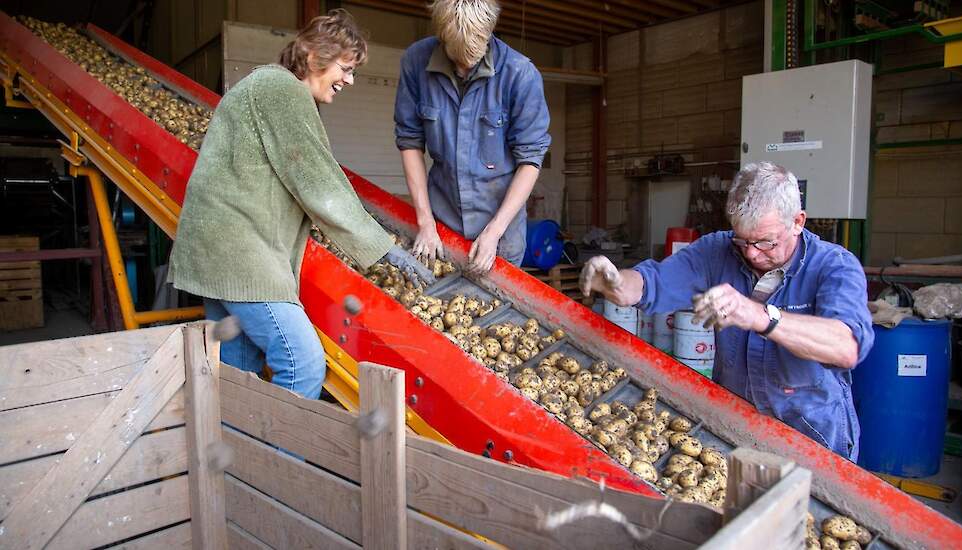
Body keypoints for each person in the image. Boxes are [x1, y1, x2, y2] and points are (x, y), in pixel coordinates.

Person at [169, 11, 428, 399]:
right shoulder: (282, 90)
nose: (350, 80)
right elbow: (317, 182)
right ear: (312, 57)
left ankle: (239, 457)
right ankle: (280, 459)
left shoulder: (263, 86)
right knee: (303, 364)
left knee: (240, 380)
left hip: (215, 255)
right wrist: (385, 248)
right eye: (345, 68)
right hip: (240, 257)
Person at [580, 162, 874, 460]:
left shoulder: (834, 266)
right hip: (735, 428)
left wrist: (760, 316)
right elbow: (652, 283)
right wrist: (617, 283)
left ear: (797, 222)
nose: (751, 253)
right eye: (743, 240)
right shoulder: (717, 251)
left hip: (812, 437)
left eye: (765, 242)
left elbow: (845, 347)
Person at [394, 0, 551, 273]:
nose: (464, 70)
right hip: (442, 224)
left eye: (473, 60)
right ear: (442, 37)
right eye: (457, 61)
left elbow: (530, 160)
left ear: (489, 34)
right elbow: (410, 141)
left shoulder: (520, 74)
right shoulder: (416, 62)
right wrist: (425, 222)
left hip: (501, 233)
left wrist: (494, 232)